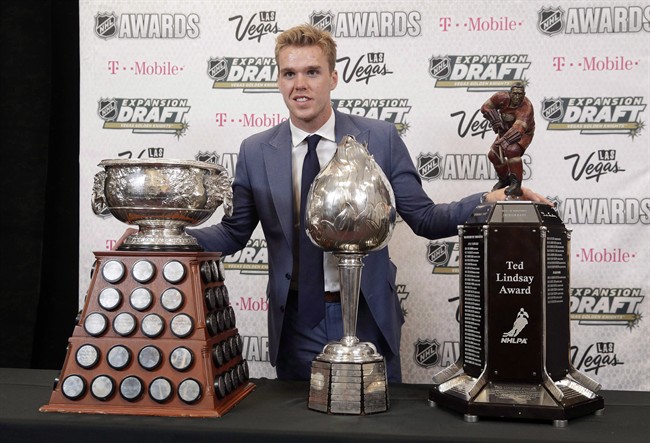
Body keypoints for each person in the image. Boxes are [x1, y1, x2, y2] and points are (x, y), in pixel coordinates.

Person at [189, 24, 550, 382]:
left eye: (312, 72)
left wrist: (488, 200)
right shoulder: (255, 151)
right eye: (289, 73)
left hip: (369, 318)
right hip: (297, 324)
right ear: (279, 80)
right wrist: (164, 235)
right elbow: (234, 234)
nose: (300, 84)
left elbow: (424, 218)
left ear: (333, 77)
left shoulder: (380, 138)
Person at [480, 81, 535, 197]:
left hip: (524, 133)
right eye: (515, 93)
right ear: (510, 93)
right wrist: (495, 120)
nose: (517, 97)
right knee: (493, 155)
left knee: (512, 150)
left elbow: (518, 130)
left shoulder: (527, 108)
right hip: (506, 130)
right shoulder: (500, 97)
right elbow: (485, 107)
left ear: (524, 94)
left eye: (520, 94)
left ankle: (516, 185)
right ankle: (505, 179)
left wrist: (505, 141)